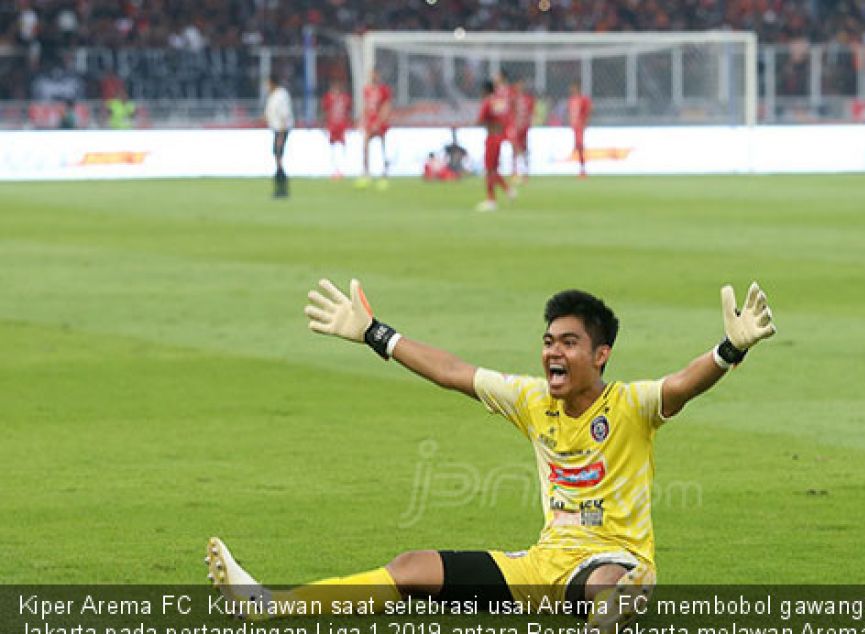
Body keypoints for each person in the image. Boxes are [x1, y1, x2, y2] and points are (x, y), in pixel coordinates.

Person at [206, 278, 776, 633]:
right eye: (549, 340)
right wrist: (376, 334)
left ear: (601, 355)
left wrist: (730, 350)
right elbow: (453, 371)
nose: (553, 350)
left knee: (611, 586)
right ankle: (269, 607)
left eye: (569, 342)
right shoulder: (531, 400)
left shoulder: (630, 405)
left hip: (613, 562)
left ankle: (618, 609)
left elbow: (681, 385)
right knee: (411, 568)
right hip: (541, 567)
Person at [475, 80, 515, 212]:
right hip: (500, 136)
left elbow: (480, 120)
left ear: (485, 90)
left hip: (492, 137)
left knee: (489, 169)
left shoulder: (487, 102)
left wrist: (477, 123)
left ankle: (491, 200)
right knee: (493, 169)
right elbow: (506, 119)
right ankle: (508, 190)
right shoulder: (500, 102)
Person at [358, 69, 392, 190]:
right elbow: (366, 107)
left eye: (374, 74)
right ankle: (366, 172)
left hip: (379, 122)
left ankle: (384, 170)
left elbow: (386, 106)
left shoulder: (383, 90)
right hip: (370, 122)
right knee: (365, 145)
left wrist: (381, 121)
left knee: (382, 146)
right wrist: (362, 120)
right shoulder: (367, 90)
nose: (373, 76)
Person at [264, 75, 293, 199]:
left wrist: (281, 134)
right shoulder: (275, 95)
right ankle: (281, 186)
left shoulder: (281, 95)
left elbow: (284, 115)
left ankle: (281, 186)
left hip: (281, 130)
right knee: (277, 156)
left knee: (278, 155)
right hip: (277, 130)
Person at [320, 81, 353, 180]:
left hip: (342, 127)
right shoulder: (328, 98)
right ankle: (334, 170)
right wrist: (324, 124)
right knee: (333, 148)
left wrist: (350, 124)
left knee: (342, 148)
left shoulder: (344, 98)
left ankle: (342, 170)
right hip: (332, 127)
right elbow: (324, 112)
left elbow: (348, 112)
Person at [511, 78, 536, 184]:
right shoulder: (513, 98)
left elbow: (532, 113)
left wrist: (530, 123)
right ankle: (515, 172)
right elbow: (510, 112)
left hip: (524, 128)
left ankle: (526, 174)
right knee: (515, 150)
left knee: (525, 150)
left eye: (522, 84)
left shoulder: (529, 99)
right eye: (518, 84)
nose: (520, 86)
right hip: (515, 128)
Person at [567, 83, 592, 178]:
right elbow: (570, 113)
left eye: (573, 87)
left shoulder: (583, 99)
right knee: (578, 147)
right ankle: (582, 169)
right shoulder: (571, 100)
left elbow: (588, 111)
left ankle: (583, 169)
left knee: (579, 146)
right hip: (574, 127)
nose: (571, 89)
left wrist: (585, 123)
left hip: (580, 127)